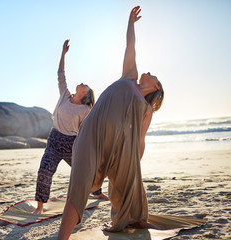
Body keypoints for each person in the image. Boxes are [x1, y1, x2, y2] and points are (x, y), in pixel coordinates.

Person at [58, 6, 165, 239]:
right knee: (79, 187)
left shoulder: (146, 109)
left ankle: (137, 219)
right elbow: (130, 47)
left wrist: (135, 164)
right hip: (92, 135)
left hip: (120, 148)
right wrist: (131, 23)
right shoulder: (130, 76)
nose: (149, 72)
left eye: (154, 75)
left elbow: (140, 139)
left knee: (131, 183)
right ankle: (62, 237)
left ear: (156, 87)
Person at [34, 40, 108, 214]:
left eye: (86, 85)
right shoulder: (65, 96)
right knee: (44, 170)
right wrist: (63, 53)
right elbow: (60, 74)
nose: (82, 83)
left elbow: (87, 129)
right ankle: (40, 206)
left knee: (85, 171)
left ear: (87, 95)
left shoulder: (86, 109)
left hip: (71, 144)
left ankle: (97, 192)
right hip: (53, 139)